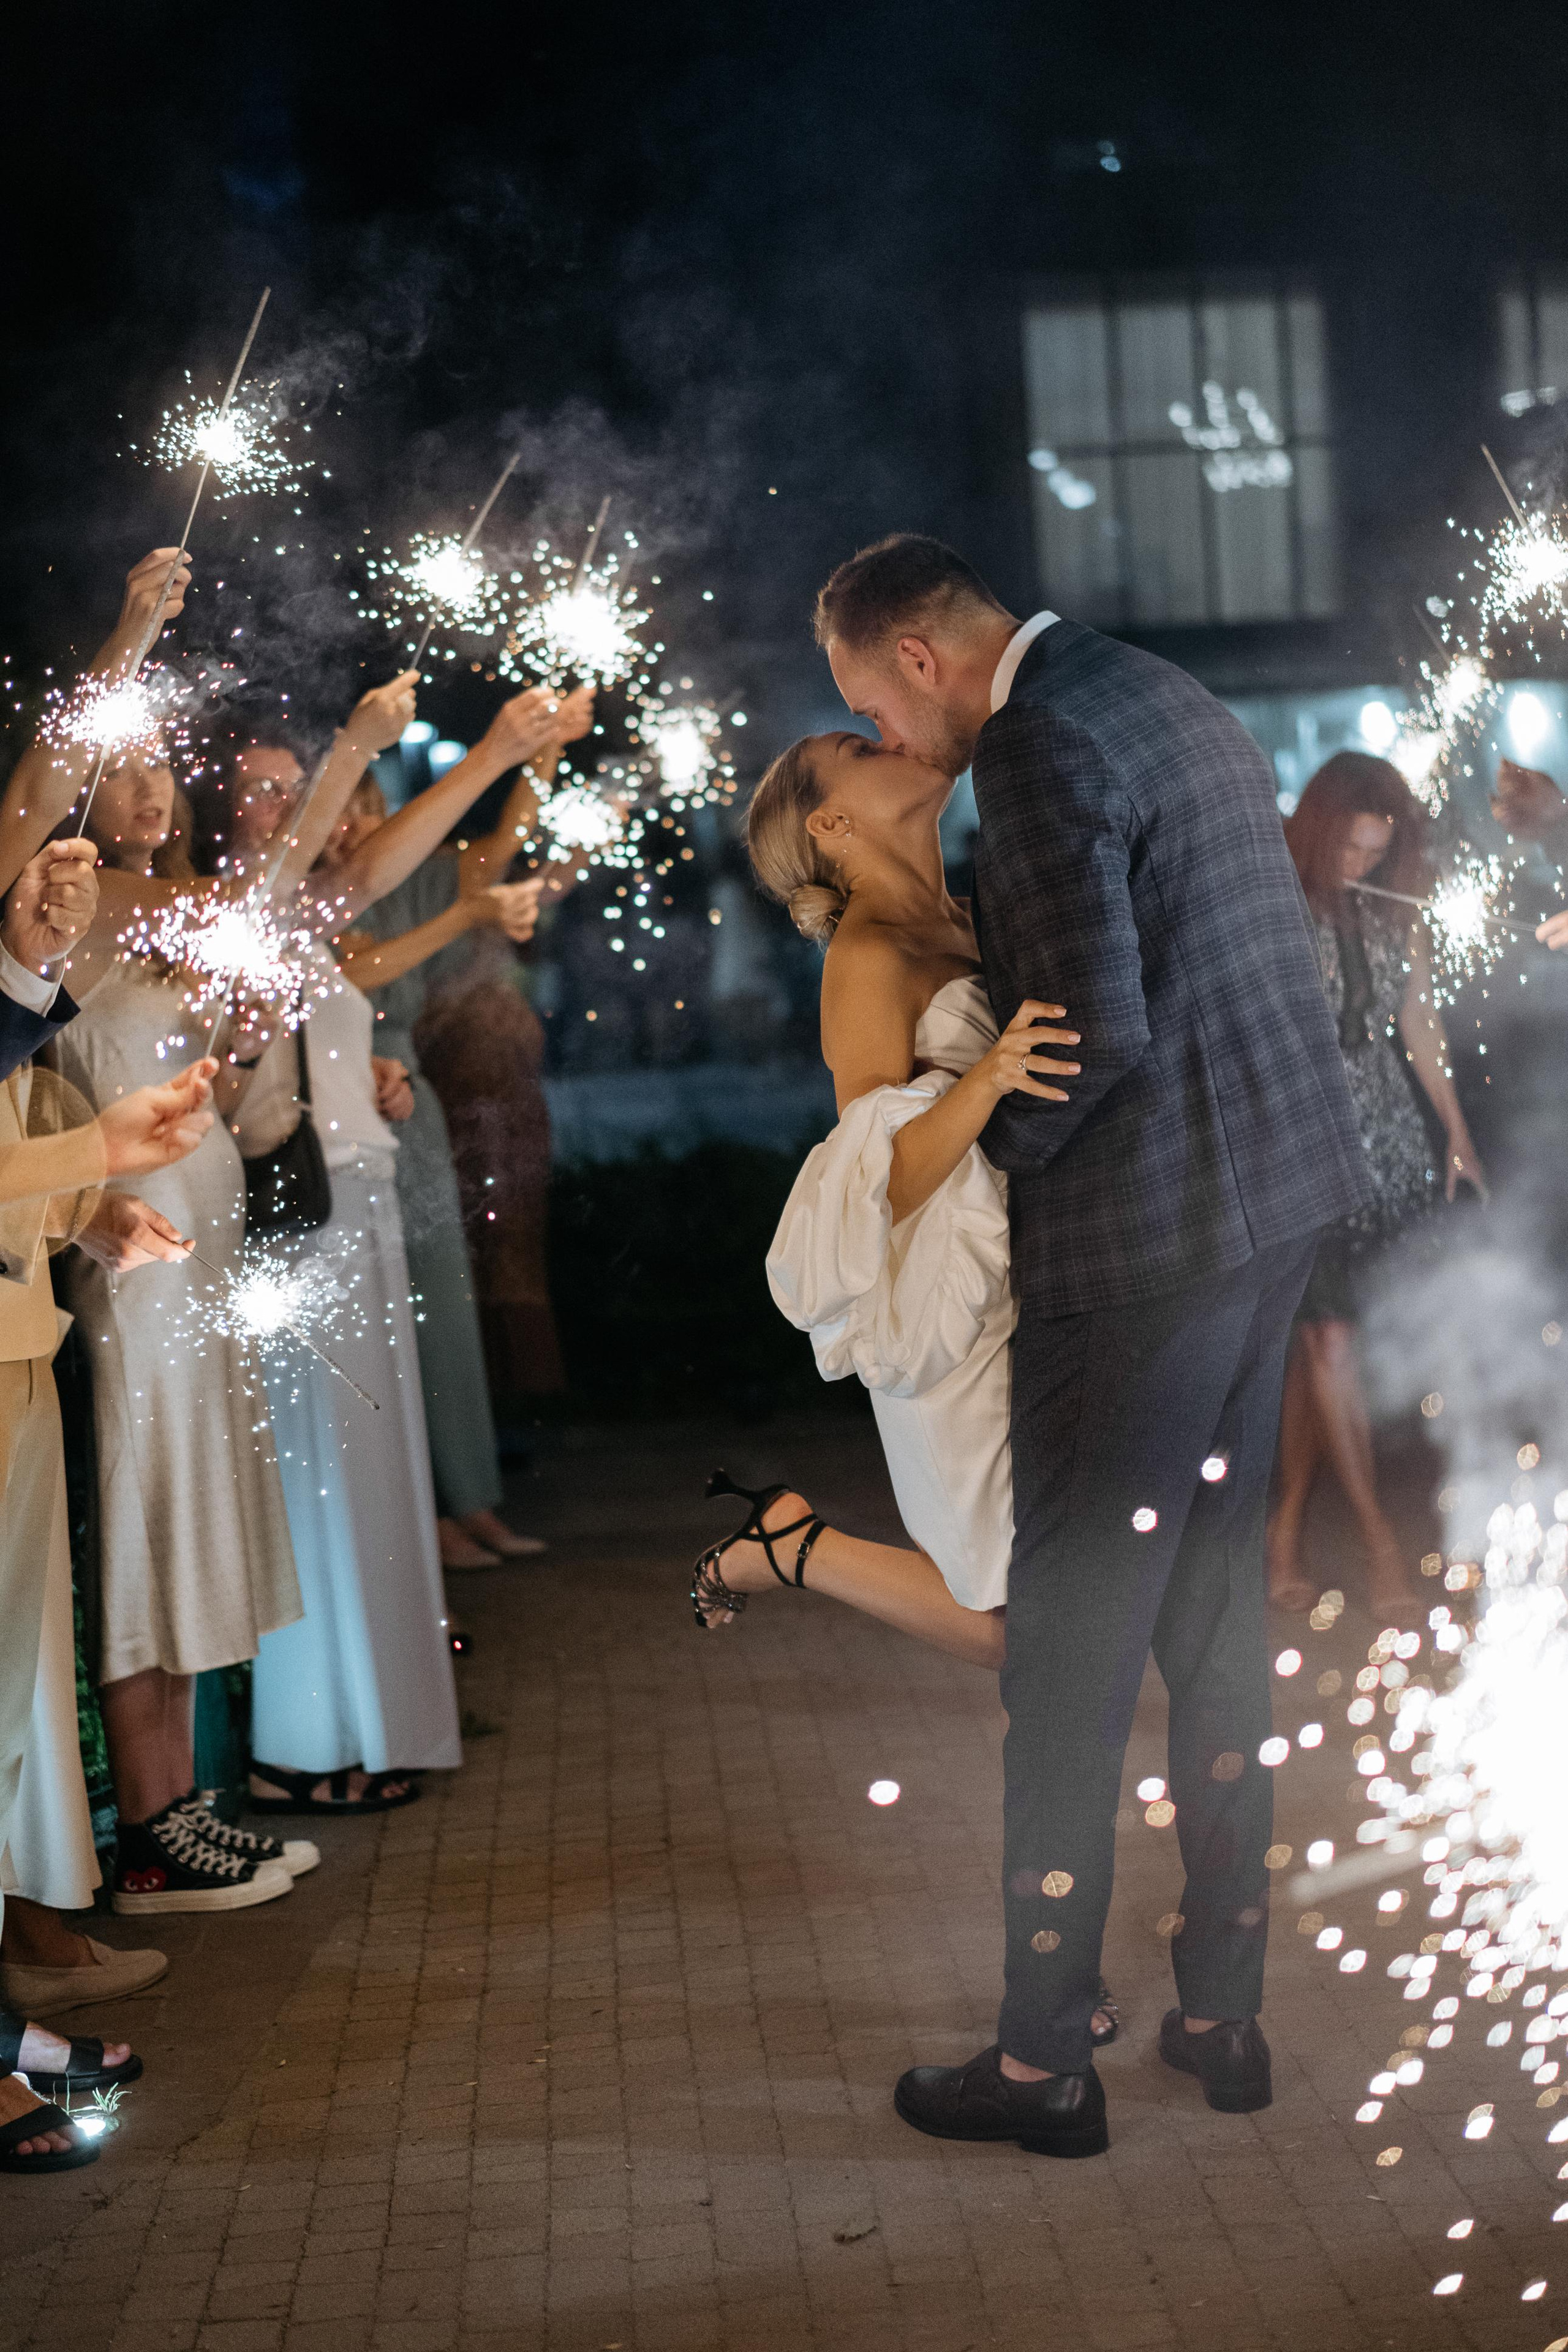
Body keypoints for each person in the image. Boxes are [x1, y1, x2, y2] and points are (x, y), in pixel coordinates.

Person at [720, 534, 1366, 2159]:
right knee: (1216, 1633)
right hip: (1270, 1217)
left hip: (1142, 1259)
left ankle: (1037, 2064)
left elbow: (1093, 1034)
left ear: (918, 662)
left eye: (872, 706)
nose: (888, 738)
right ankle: (1222, 2010)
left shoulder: (1038, 740)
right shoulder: (1158, 687)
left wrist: (997, 1170)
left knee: (1067, 1680)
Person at [204, 679, 564, 1813]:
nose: (281, 812)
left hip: (357, 1208)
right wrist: (491, 749)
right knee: (321, 1489)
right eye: (258, 795)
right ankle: (310, 1746)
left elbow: (366, 887)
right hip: (295, 1229)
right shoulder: (225, 913)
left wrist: (376, 1083)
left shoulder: (302, 921)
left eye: (288, 791)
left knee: (374, 1484)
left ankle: (381, 1728)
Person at [1268, 753, 1487, 1618]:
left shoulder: (1398, 911)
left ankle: (1284, 1532)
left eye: (1377, 850)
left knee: (1322, 1356)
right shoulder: (1278, 901)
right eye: (1351, 847)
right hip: (1303, 1139)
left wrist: (1459, 1134)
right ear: (1321, 831)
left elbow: (1418, 1023)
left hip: (1389, 1140)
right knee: (1328, 1345)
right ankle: (1377, 1544)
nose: (1361, 864)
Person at [325, 768, 554, 1568]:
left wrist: (544, 753)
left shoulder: (407, 883)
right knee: (390, 1319)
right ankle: (428, 1515)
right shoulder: (308, 895)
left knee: (444, 1305)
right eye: (340, 806)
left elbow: (500, 850)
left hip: (406, 1098)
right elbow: (364, 968)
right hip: (340, 1099)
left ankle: (472, 1498)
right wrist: (464, 913)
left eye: (369, 806)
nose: (353, 824)